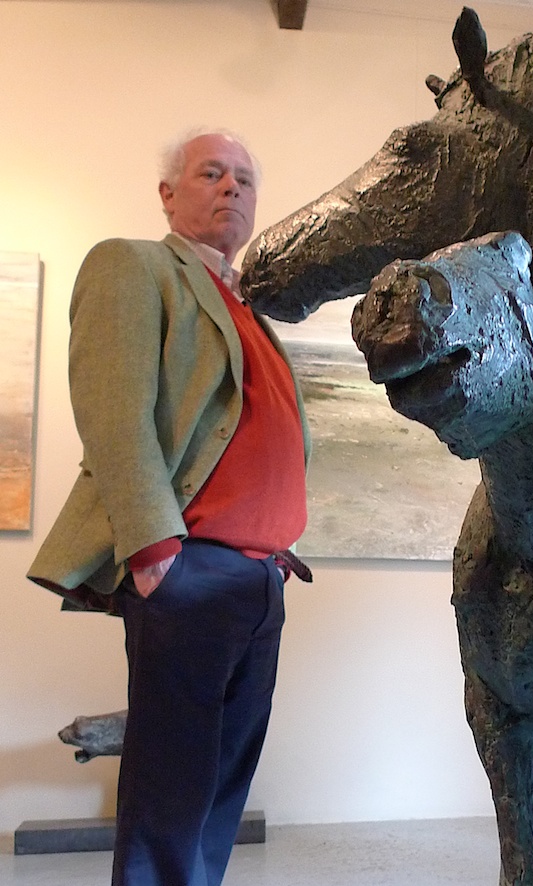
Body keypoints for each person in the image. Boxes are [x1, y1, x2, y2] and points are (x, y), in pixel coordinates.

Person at [28, 128, 311, 886]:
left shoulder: (247, 304)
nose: (231, 187)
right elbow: (114, 413)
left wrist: (274, 552)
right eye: (211, 172)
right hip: (189, 571)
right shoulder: (133, 264)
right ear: (168, 194)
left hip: (259, 578)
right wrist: (155, 551)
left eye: (244, 178)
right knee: (172, 790)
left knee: (221, 789)